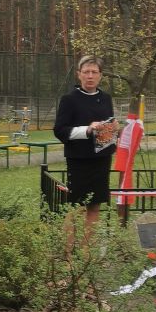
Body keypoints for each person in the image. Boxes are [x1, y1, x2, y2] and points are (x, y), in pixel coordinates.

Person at [53, 56, 119, 227]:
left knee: (95, 206)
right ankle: (70, 245)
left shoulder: (106, 98)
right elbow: (59, 130)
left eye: (94, 72)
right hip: (79, 160)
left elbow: (107, 126)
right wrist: (87, 130)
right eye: (86, 72)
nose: (90, 76)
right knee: (77, 207)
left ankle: (88, 244)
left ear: (100, 75)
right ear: (79, 74)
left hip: (101, 159)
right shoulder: (69, 99)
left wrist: (114, 129)